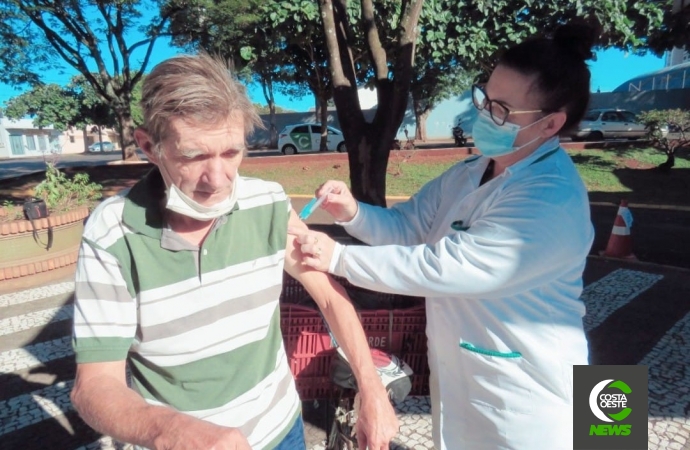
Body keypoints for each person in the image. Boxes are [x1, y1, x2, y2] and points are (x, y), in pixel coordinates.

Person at [291, 22, 597, 449]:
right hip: (462, 380)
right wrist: (354, 213)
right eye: (484, 98)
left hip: (531, 394)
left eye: (502, 110)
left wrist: (338, 259)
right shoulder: (470, 172)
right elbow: (408, 228)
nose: (484, 114)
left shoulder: (552, 196)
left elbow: (448, 266)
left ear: (550, 125)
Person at [70, 53, 398, 450]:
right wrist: (168, 431)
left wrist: (371, 387)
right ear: (148, 146)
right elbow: (94, 385)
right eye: (194, 156)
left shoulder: (268, 203)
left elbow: (329, 297)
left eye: (231, 153)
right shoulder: (112, 232)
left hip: (280, 431)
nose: (219, 180)